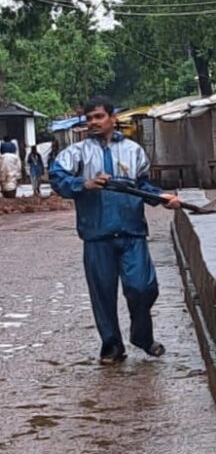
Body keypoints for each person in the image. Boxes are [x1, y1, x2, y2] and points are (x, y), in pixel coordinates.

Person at [50, 96, 181, 365]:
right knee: (103, 294)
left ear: (112, 118)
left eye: (98, 117)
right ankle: (111, 346)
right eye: (89, 119)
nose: (93, 123)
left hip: (132, 233)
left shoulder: (134, 151)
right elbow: (58, 177)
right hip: (97, 235)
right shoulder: (76, 153)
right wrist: (84, 184)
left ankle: (142, 336)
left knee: (144, 288)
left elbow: (143, 186)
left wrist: (162, 198)